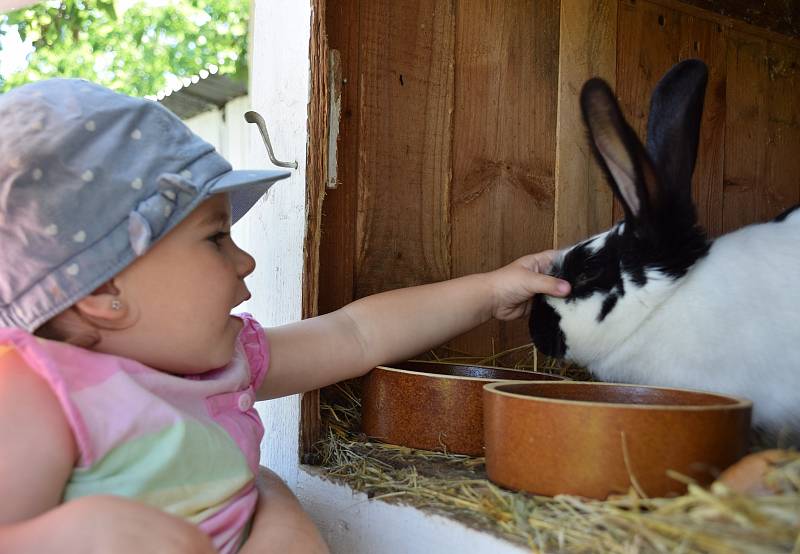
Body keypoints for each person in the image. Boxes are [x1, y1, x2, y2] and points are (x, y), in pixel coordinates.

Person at [0, 79, 571, 553]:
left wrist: (490, 291)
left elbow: (355, 333)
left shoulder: (225, 361)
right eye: (216, 238)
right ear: (103, 288)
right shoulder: (36, 393)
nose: (245, 259)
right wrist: (57, 536)